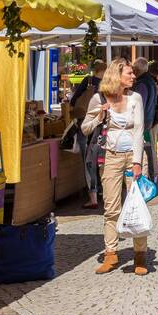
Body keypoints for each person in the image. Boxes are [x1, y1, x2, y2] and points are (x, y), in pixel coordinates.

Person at [80, 59, 149, 275]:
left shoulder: (135, 98)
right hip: (111, 156)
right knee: (111, 207)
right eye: (129, 73)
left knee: (137, 204)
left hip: (134, 157)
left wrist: (137, 162)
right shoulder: (98, 98)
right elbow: (85, 128)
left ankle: (140, 256)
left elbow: (139, 131)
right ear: (116, 76)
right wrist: (100, 115)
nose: (133, 76)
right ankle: (111, 253)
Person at [66, 59, 106, 209]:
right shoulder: (108, 86)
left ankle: (93, 196)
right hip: (101, 127)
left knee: (88, 160)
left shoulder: (88, 80)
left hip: (85, 121)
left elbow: (75, 98)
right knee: (100, 160)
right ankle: (103, 190)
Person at [131, 57, 158, 179]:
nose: (133, 73)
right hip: (148, 119)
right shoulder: (150, 81)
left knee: (144, 150)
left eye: (133, 69)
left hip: (143, 120)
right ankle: (153, 173)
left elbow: (139, 103)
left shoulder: (142, 83)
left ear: (137, 69)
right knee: (148, 148)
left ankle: (148, 175)